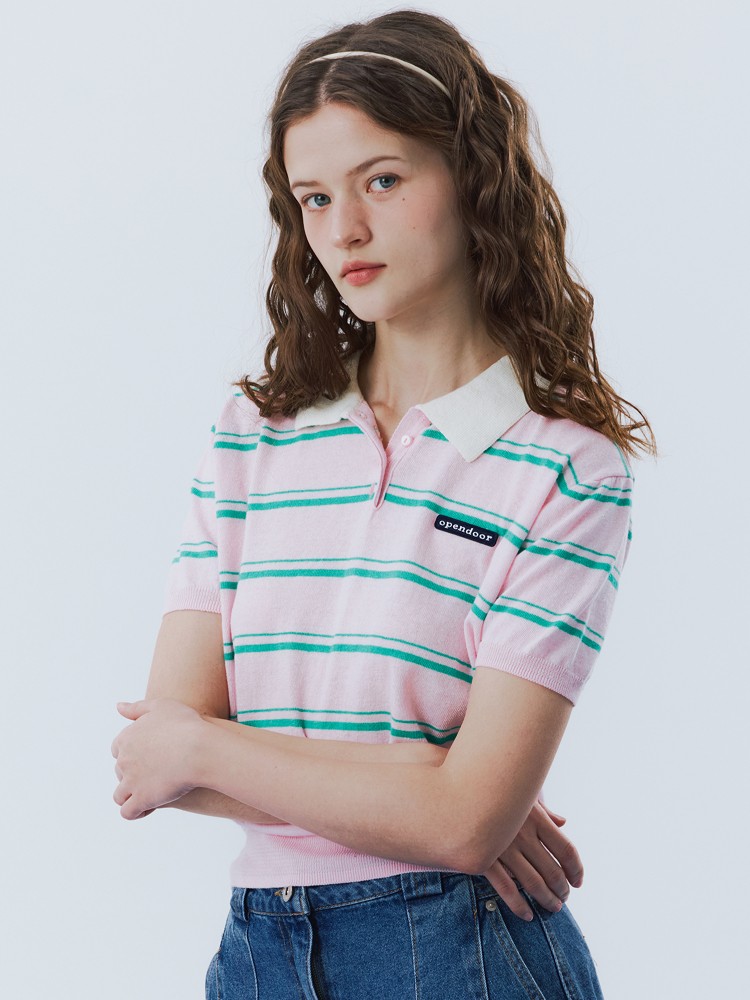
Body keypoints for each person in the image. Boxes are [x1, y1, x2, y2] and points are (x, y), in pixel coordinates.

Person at [111, 9, 656, 999]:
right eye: (315, 198)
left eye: (384, 180)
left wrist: (451, 813)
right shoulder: (252, 436)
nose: (344, 230)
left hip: (459, 951)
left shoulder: (568, 467)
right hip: (258, 954)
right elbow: (158, 761)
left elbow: (463, 825)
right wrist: (424, 800)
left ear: (474, 178)